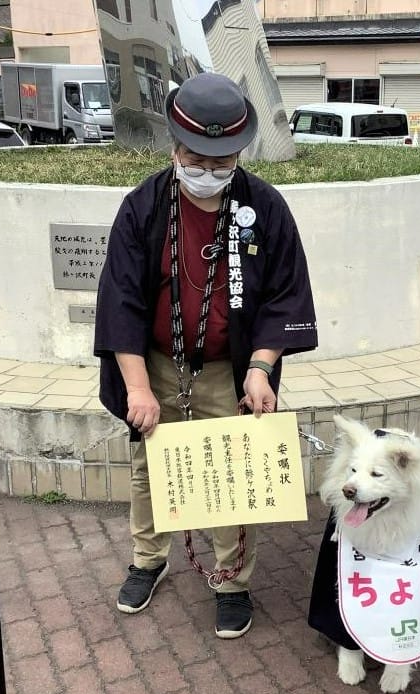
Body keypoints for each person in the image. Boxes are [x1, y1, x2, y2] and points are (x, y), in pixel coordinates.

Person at [93, 72, 318, 639]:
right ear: (175, 148)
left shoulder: (264, 206)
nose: (209, 174)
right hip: (158, 364)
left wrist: (263, 368)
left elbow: (284, 296)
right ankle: (149, 559)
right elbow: (120, 302)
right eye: (197, 160)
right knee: (150, 470)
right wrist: (138, 388)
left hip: (229, 368)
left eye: (223, 164)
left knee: (231, 476)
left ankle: (231, 581)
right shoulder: (142, 207)